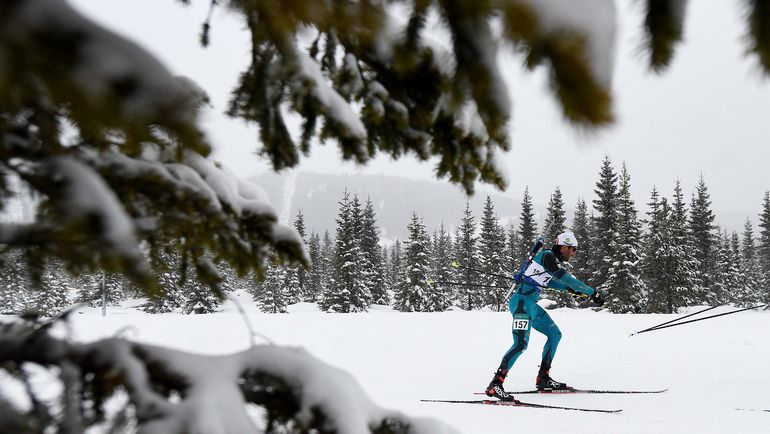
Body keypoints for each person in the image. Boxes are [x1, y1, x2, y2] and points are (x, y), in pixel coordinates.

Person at [485, 231, 604, 401]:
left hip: (531, 306)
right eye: (573, 249)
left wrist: (571, 290)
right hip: (521, 304)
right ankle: (495, 384)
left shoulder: (548, 262)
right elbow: (565, 278)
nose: (573, 253)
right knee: (520, 345)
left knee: (554, 334)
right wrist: (592, 292)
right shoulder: (547, 256)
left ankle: (543, 378)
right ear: (564, 246)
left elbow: (551, 282)